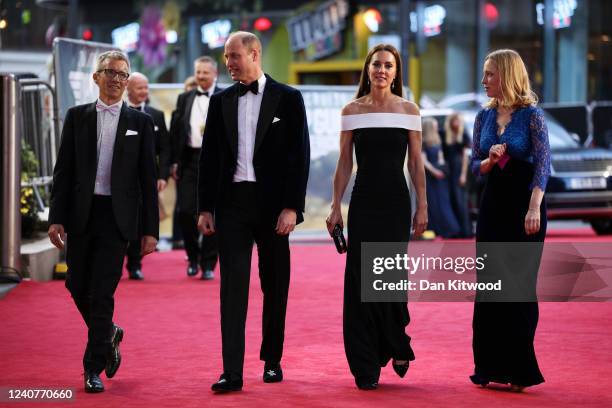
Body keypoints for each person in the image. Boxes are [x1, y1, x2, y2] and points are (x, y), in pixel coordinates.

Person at [197, 31, 310, 393]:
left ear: (255, 53)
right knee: (232, 289)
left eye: (233, 56)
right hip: (232, 205)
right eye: (225, 57)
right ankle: (231, 371)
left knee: (275, 285)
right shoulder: (220, 101)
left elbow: (299, 156)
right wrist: (204, 207)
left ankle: (272, 359)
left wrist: (292, 207)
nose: (228, 63)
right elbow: (210, 159)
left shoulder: (289, 99)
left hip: (274, 206)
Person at [47, 51, 159, 393]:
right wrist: (56, 218)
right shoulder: (77, 116)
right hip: (82, 214)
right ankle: (108, 332)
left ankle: (92, 367)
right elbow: (63, 171)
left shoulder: (140, 123)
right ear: (96, 77)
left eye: (122, 74)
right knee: (76, 285)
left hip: (117, 217)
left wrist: (150, 230)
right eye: (109, 72)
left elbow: (147, 179)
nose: (116, 79)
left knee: (103, 292)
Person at [326, 44, 427, 390]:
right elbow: (343, 162)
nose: (382, 70)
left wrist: (423, 206)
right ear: (367, 70)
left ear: (396, 73)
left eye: (388, 65)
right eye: (376, 65)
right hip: (364, 203)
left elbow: (415, 162)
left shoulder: (409, 110)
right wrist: (335, 205)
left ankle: (396, 342)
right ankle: (365, 363)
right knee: (359, 280)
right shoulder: (352, 110)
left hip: (397, 204)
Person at [469, 49, 551, 392]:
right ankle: (487, 365)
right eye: (485, 73)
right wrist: (489, 160)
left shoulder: (532, 116)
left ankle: (519, 370)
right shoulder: (483, 117)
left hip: (524, 208)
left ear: (507, 75)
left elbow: (544, 165)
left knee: (518, 288)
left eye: (490, 74)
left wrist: (533, 208)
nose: (485, 80)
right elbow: (475, 167)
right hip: (493, 206)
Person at [170, 56, 222, 279]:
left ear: (215, 74)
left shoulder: (226, 97)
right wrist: (174, 161)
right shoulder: (184, 98)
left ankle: (209, 264)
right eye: (198, 72)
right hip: (190, 160)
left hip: (217, 161)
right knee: (185, 211)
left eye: (205, 73)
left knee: (214, 212)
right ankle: (192, 257)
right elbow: (176, 132)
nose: (201, 76)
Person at [124, 72, 171, 280]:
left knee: (140, 221)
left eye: (146, 87)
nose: (144, 92)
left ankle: (135, 264)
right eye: (139, 88)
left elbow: (165, 149)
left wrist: (162, 176)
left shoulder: (156, 115)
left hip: (146, 179)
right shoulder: (120, 113)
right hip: (122, 178)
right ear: (128, 89)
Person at [422, 117, 461, 238]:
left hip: (440, 176)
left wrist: (442, 169)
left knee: (444, 201)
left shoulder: (437, 141)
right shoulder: (423, 142)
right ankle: (435, 229)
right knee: (433, 202)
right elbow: (424, 162)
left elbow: (441, 158)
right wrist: (435, 171)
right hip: (431, 176)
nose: (436, 127)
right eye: (434, 126)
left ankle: (449, 229)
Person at [442, 113, 473, 237]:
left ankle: (466, 231)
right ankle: (455, 230)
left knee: (461, 201)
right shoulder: (445, 134)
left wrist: (463, 175)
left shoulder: (464, 135)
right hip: (448, 170)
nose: (456, 123)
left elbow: (465, 157)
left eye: (458, 120)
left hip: (460, 169)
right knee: (450, 200)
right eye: (454, 120)